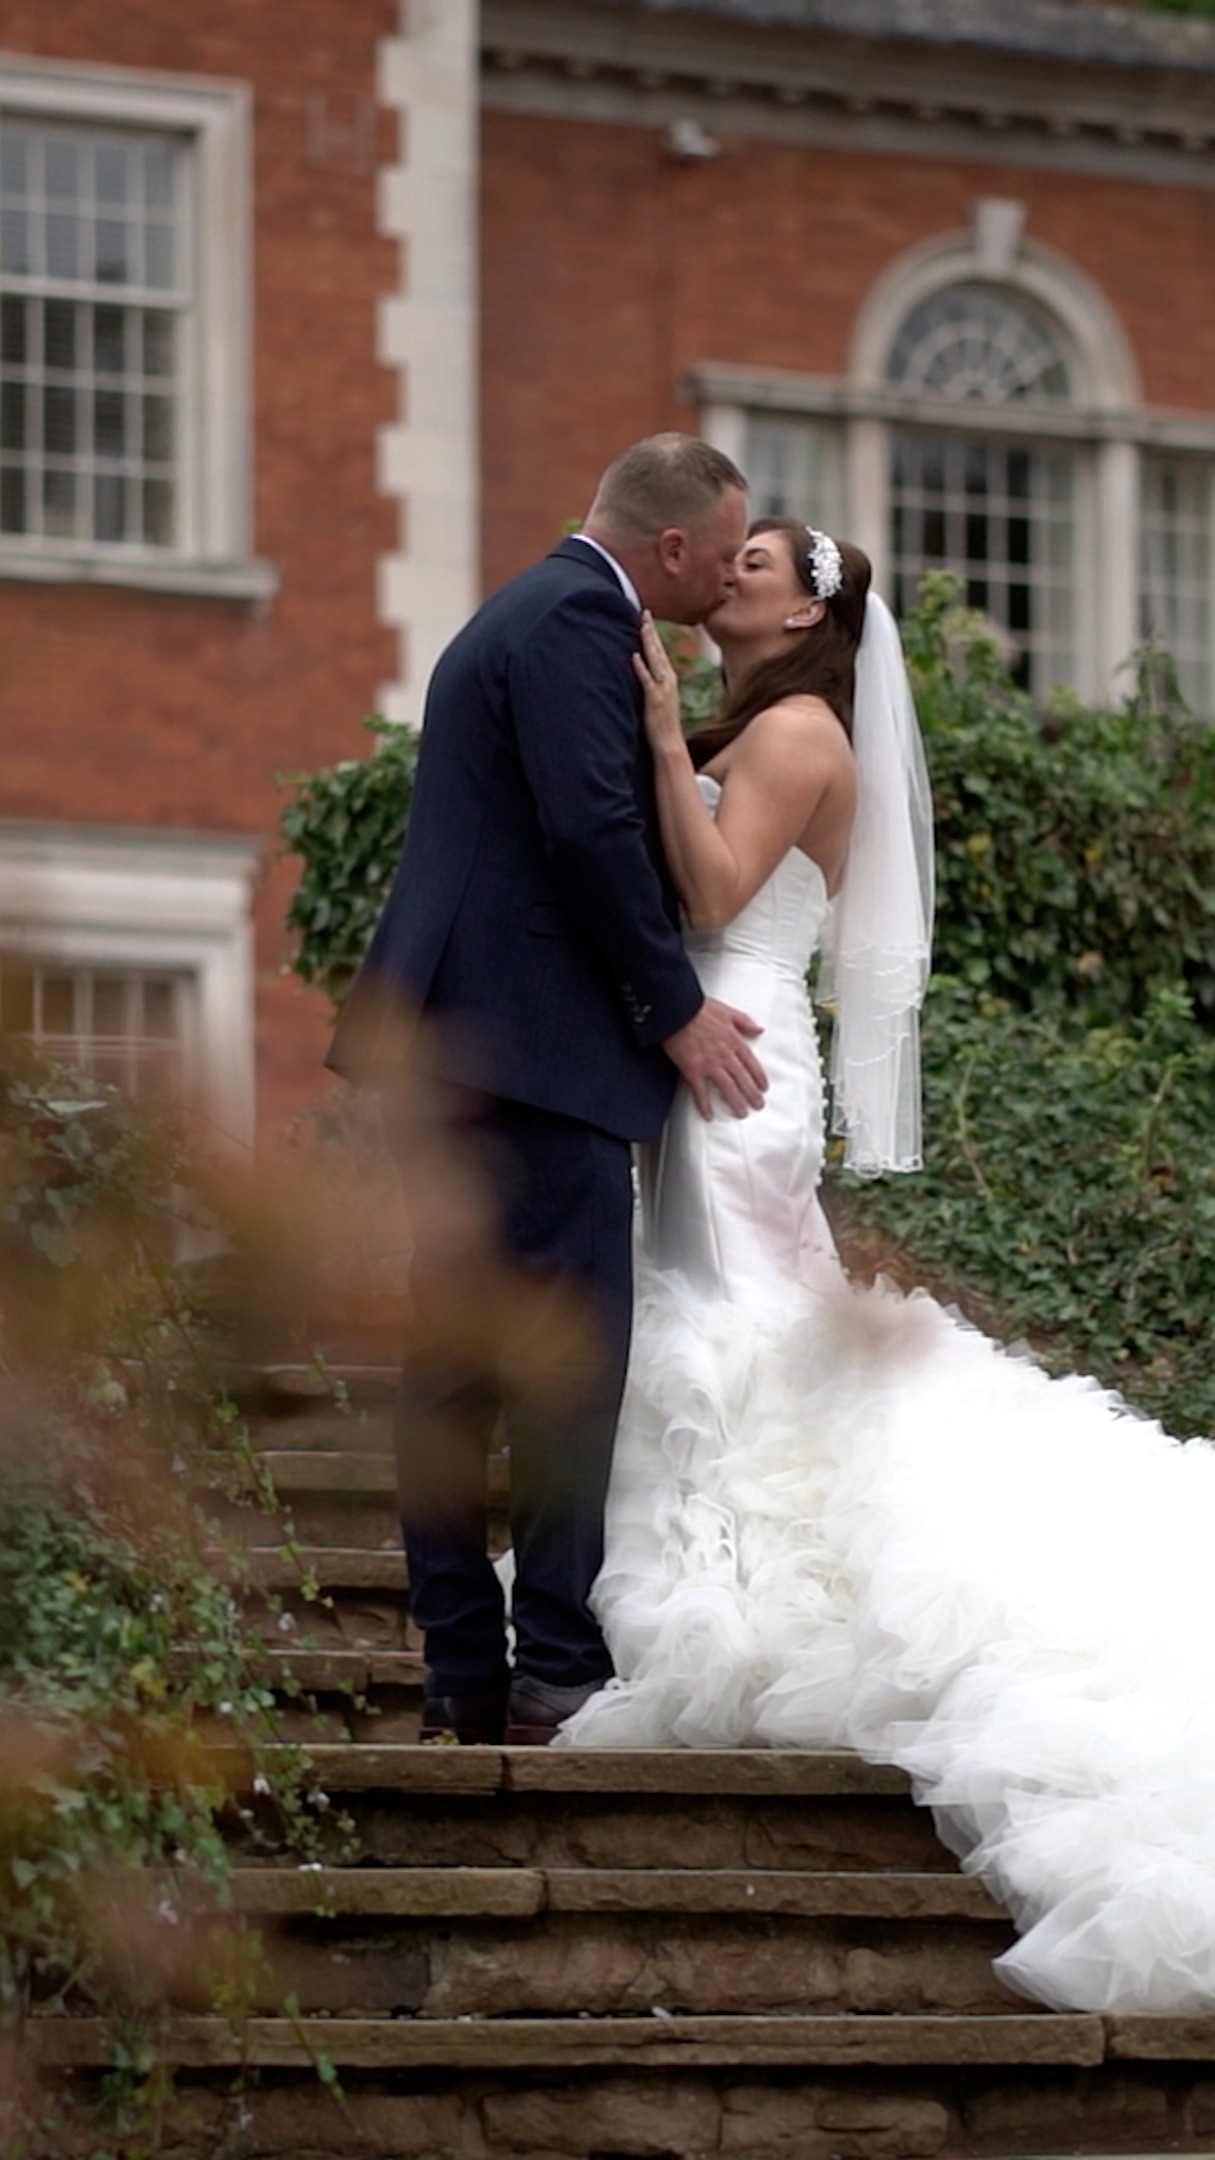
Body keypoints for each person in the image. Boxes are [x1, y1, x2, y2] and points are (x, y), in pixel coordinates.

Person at [559, 516, 1215, 2019]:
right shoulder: (772, 717)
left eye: (764, 560)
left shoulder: (792, 730)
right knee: (743, 1321)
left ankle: (722, 1590)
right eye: (731, 548)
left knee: (735, 1320)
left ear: (811, 610)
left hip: (736, 1058)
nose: (732, 564)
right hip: (711, 1052)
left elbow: (715, 899)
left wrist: (661, 734)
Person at [327, 433, 769, 1749]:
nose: (718, 586)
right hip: (533, 1047)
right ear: (673, 545)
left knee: (456, 1364)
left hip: (453, 1040)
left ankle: (466, 1667)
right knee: (564, 1359)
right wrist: (677, 1010)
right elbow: (589, 828)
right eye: (720, 550)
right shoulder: (583, 612)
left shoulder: (517, 607)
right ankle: (555, 1666)